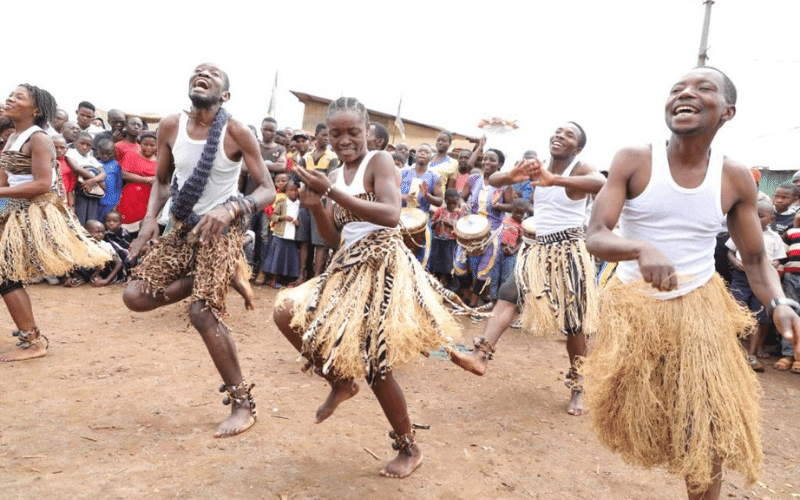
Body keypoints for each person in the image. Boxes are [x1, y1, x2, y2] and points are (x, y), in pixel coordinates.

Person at [582, 67, 800, 499]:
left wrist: (779, 303)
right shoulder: (634, 158)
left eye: (704, 89)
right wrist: (641, 248)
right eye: (677, 89)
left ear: (727, 111)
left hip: (699, 310)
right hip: (634, 311)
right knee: (647, 419)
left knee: (707, 428)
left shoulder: (733, 176)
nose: (686, 94)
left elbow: (756, 259)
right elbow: (597, 236)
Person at [273, 97, 478, 479]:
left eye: (353, 131)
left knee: (376, 366)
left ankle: (409, 448)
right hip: (348, 266)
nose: (345, 140)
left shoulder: (378, 162)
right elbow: (336, 238)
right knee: (284, 312)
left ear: (368, 130)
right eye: (336, 133)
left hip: (382, 268)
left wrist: (331, 195)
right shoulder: (333, 176)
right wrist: (316, 205)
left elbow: (390, 214)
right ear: (328, 136)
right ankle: (338, 381)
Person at [122, 63, 275, 438]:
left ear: (224, 95)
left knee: (202, 312)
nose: (201, 74)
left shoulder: (236, 131)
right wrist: (147, 224)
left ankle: (243, 404)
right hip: (181, 226)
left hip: (220, 232)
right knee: (135, 296)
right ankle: (222, 275)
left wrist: (231, 208)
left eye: (212, 74)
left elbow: (267, 189)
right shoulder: (171, 126)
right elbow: (161, 181)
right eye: (197, 71)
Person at [450, 122, 604, 417]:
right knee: (508, 295)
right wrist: (510, 175)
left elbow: (600, 184)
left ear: (577, 147)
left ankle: (577, 386)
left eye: (568, 135)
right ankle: (480, 355)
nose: (560, 136)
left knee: (573, 324)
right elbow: (493, 179)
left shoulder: (581, 167)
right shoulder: (538, 165)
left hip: (569, 250)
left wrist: (553, 180)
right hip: (536, 249)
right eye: (557, 131)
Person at [0, 83, 110, 362]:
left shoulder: (38, 138)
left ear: (36, 110)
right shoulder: (13, 137)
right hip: (12, 210)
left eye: (19, 96)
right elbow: (5, 181)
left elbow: (41, 184)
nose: (10, 97)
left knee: (5, 276)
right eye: (11, 94)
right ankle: (30, 337)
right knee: (5, 276)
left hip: (33, 212)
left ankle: (33, 341)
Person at [727, 198, 785, 371]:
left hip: (763, 280)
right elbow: (730, 251)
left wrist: (774, 265)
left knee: (758, 316)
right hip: (741, 277)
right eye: (753, 215)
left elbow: (779, 260)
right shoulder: (741, 232)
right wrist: (735, 262)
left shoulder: (775, 238)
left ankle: (751, 353)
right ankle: (729, 349)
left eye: (760, 216)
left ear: (772, 219)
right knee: (735, 310)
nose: (755, 219)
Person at [263, 179, 301, 288]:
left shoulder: (300, 204)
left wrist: (298, 223)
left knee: (288, 258)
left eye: (295, 190)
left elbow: (301, 220)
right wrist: (282, 217)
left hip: (292, 236)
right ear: (286, 191)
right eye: (290, 190)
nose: (293, 193)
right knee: (277, 258)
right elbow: (273, 216)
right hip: (280, 234)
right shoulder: (282, 203)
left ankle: (284, 280)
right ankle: (273, 280)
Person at [117, 131, 157, 231]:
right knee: (127, 226)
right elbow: (124, 174)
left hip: (150, 197)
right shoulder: (132, 155)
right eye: (145, 144)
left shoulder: (160, 159)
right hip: (132, 196)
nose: (148, 148)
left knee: (145, 227)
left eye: (152, 145)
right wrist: (146, 180)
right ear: (139, 144)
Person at [64, 220, 123, 287]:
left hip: (97, 272)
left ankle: (95, 277)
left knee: (104, 257)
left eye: (103, 232)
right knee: (67, 255)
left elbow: (118, 264)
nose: (101, 235)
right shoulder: (78, 244)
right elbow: (66, 260)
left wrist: (106, 280)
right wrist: (67, 277)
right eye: (98, 232)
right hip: (80, 271)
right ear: (86, 232)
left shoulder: (105, 245)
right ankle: (75, 278)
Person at [66, 131, 105, 225]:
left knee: (91, 218)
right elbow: (76, 168)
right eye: (82, 143)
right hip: (79, 190)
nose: (85, 147)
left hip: (93, 191)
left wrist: (93, 181)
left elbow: (103, 173)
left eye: (88, 145)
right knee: (80, 218)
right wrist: (96, 180)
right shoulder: (70, 153)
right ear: (75, 141)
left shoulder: (91, 158)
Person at [429, 188, 464, 287]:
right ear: (445, 200)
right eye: (449, 203)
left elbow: (461, 228)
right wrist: (437, 222)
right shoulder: (440, 211)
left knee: (448, 264)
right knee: (436, 262)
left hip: (451, 242)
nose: (452, 206)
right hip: (438, 240)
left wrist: (448, 223)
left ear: (458, 202)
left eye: (454, 203)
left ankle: (447, 283)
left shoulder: (460, 213)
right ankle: (436, 281)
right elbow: (431, 224)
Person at [97, 138, 123, 221]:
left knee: (107, 222)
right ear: (98, 151)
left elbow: (119, 186)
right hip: (97, 201)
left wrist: (116, 202)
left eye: (108, 154)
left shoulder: (117, 165)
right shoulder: (95, 163)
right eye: (102, 153)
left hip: (111, 201)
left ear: (114, 152)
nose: (105, 156)